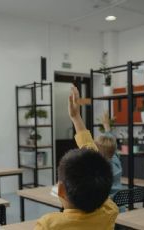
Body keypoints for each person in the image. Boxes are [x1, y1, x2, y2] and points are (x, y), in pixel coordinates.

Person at [35, 85, 118, 230]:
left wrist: (75, 117)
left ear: (60, 189)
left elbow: (93, 156)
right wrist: (76, 118)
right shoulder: (110, 212)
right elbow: (94, 158)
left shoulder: (48, 225)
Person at [98, 111, 123, 199]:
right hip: (120, 206)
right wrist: (106, 126)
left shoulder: (102, 167)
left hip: (106, 208)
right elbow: (113, 143)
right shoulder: (115, 159)